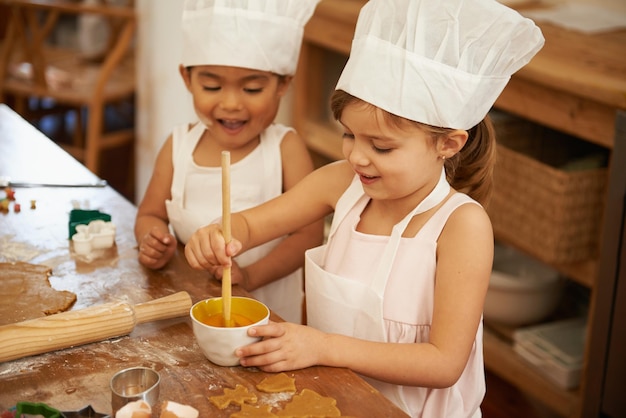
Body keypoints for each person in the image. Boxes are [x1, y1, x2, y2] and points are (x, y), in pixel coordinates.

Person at [185, 0, 544, 416]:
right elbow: (250, 224)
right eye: (349, 135)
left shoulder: (461, 226)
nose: (357, 157)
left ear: (448, 144)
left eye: (381, 146)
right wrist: (220, 233)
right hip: (333, 398)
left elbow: (445, 363)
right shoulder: (343, 183)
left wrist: (323, 346)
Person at [135, 0, 323, 324]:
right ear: (187, 78)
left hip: (270, 321)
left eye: (252, 88)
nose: (232, 103)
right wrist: (153, 241)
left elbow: (308, 236)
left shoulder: (286, 149)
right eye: (212, 86)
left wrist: (249, 276)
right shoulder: (178, 146)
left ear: (283, 83)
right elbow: (150, 214)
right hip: (188, 315)